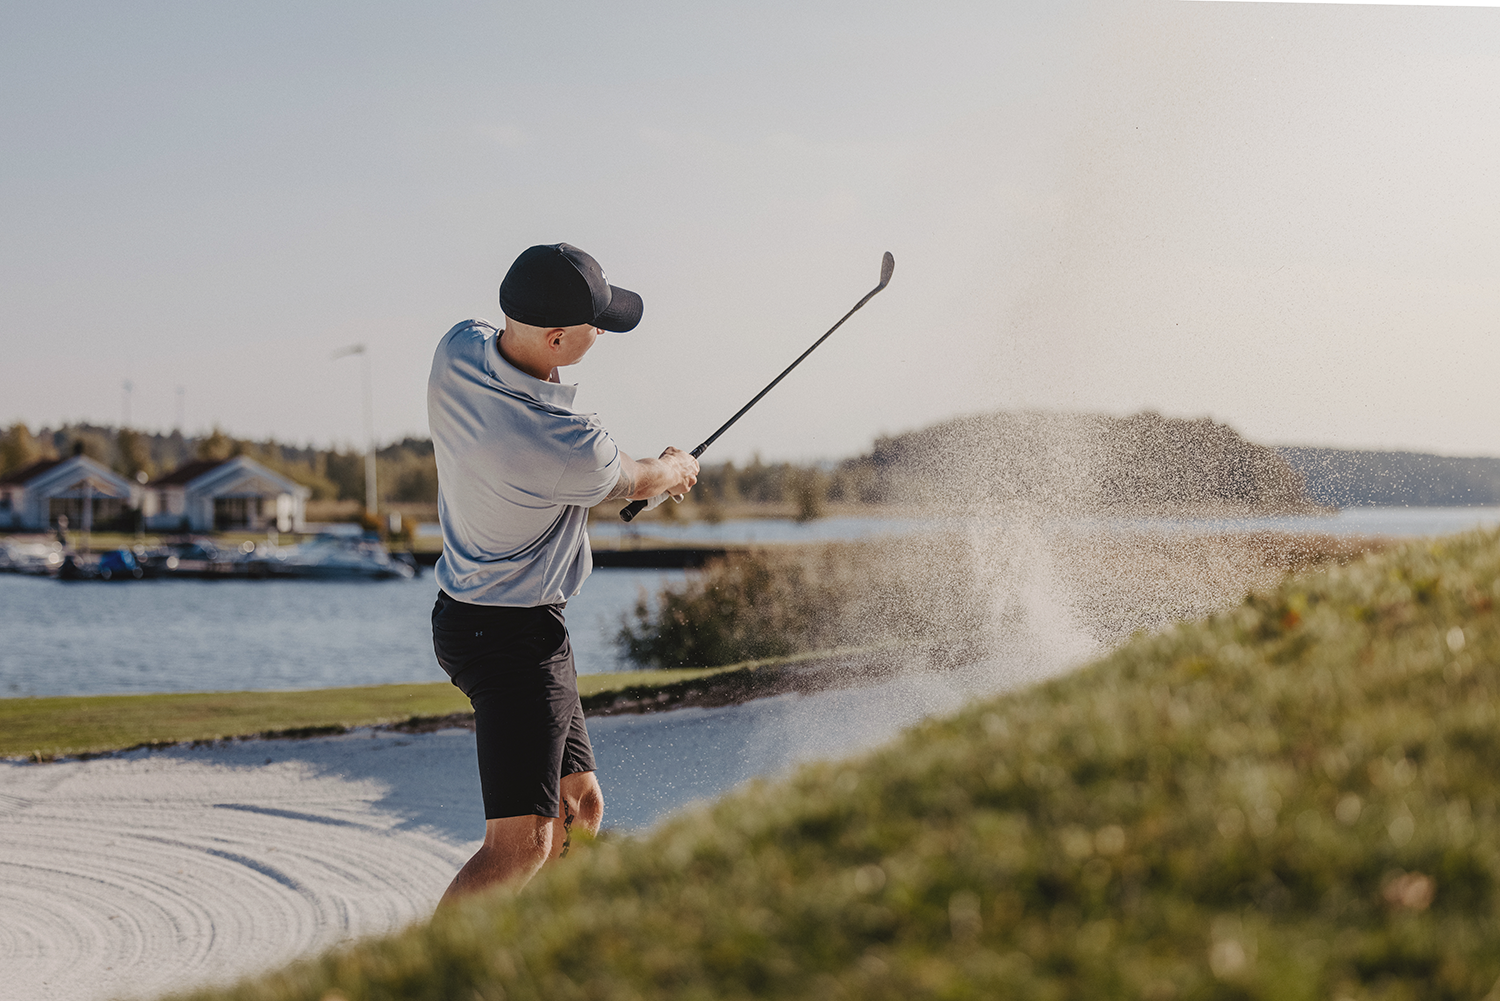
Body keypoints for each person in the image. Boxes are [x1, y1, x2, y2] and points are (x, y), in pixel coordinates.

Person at [428, 243, 699, 904]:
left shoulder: (457, 350)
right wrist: (677, 466)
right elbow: (640, 476)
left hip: (488, 622)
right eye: (593, 326)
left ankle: (539, 955)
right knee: (523, 844)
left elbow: (606, 470)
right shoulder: (567, 443)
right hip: (512, 639)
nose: (601, 332)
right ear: (555, 337)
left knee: (581, 811)